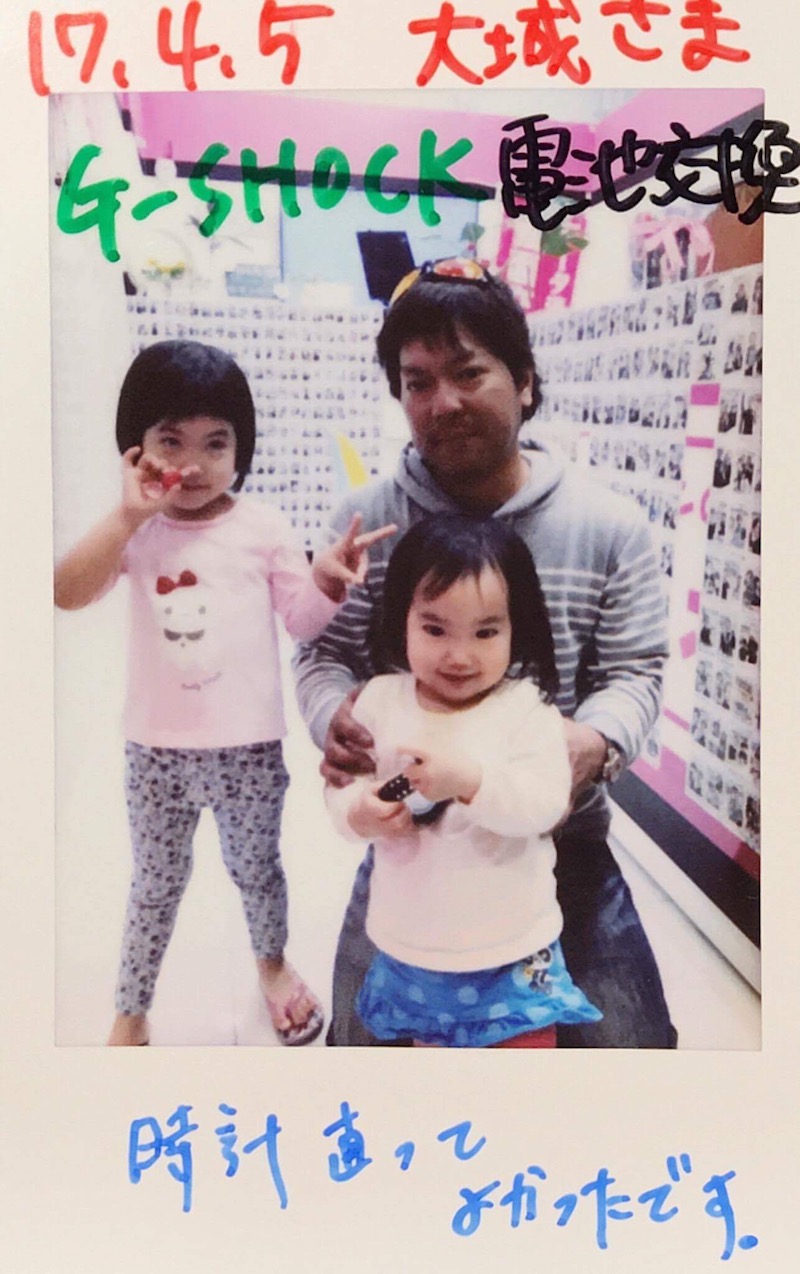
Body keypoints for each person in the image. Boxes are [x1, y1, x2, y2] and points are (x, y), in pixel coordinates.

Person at [293, 258, 675, 1048]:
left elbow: (635, 670)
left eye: (469, 372)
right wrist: (337, 719)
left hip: (564, 841)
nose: (445, 402)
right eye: (418, 382)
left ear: (525, 381)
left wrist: (594, 742)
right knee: (360, 1055)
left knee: (632, 1055)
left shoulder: (609, 527)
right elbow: (321, 653)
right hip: (413, 844)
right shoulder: (366, 523)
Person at [54, 339, 394, 1047]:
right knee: (154, 885)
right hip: (155, 752)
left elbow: (300, 621)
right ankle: (131, 1008)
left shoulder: (262, 528)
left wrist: (326, 581)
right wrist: (125, 517)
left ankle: (272, 967)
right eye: (170, 441)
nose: (195, 463)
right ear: (135, 448)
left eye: (216, 443)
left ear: (242, 449)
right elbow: (66, 592)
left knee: (258, 872)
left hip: (248, 751)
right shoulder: (136, 530)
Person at [324, 515, 603, 1047]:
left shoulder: (526, 710)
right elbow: (341, 787)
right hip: (410, 945)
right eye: (434, 629)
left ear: (516, 627)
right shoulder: (379, 702)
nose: (459, 655)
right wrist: (359, 812)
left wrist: (470, 781)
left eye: (486, 632)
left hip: (513, 949)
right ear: (401, 620)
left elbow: (544, 804)